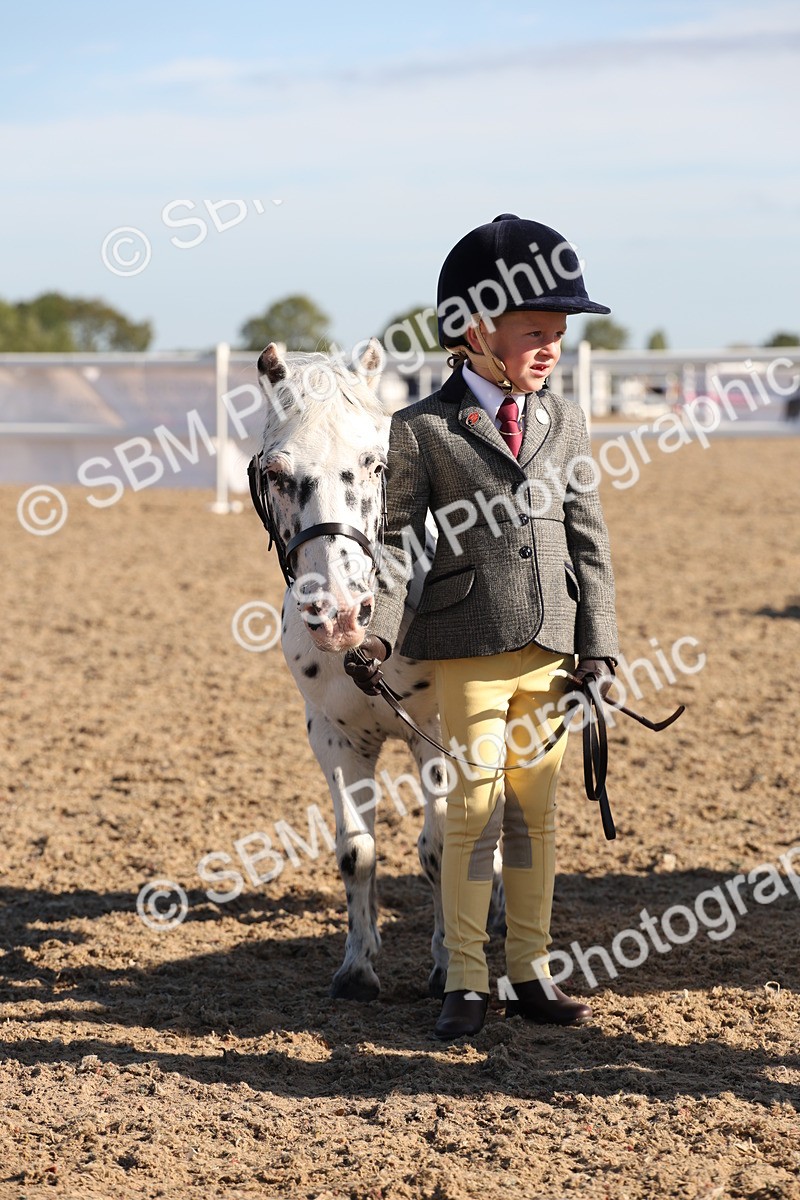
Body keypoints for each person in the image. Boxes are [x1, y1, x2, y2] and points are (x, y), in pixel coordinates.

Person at [345, 214, 619, 1040]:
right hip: (467, 645)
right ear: (476, 330)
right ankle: (466, 978)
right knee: (473, 809)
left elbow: (590, 538)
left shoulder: (564, 420)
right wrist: (379, 636)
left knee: (537, 813)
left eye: (559, 335)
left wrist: (600, 646)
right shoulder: (422, 429)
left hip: (554, 646)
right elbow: (396, 547)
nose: (551, 349)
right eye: (536, 332)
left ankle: (530, 969)